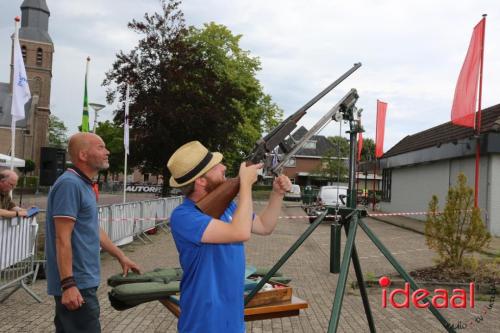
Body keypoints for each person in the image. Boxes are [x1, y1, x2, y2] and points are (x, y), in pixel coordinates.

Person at [167, 141, 292, 333]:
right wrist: (245, 186)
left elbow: (265, 226)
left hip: (232, 316)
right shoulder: (184, 216)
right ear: (200, 180)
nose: (224, 167)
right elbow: (240, 232)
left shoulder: (227, 206)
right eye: (216, 166)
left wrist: (277, 194)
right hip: (204, 320)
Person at [45, 132, 141, 333]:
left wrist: (121, 256)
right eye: (101, 147)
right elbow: (62, 238)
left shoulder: (84, 184)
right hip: (76, 284)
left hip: (83, 280)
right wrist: (68, 285)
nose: (107, 152)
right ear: (82, 155)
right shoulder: (69, 185)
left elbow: (93, 228)